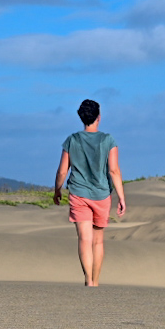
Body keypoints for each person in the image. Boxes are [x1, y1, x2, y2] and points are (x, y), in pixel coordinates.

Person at [53, 99, 126, 287]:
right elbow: (114, 170)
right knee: (98, 241)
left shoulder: (72, 140)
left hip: (78, 193)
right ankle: (96, 281)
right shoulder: (108, 140)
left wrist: (57, 190)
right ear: (98, 117)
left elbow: (62, 171)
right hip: (102, 194)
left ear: (81, 117)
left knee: (84, 239)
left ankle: (88, 280)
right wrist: (121, 197)